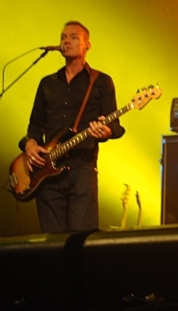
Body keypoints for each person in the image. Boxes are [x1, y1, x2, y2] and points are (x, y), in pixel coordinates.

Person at [20, 21, 125, 233]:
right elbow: (35, 125)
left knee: (81, 238)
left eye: (74, 37)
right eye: (63, 37)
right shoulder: (47, 83)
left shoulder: (102, 81)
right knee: (51, 242)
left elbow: (114, 126)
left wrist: (105, 131)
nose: (66, 41)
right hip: (46, 174)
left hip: (82, 169)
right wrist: (30, 145)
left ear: (87, 45)